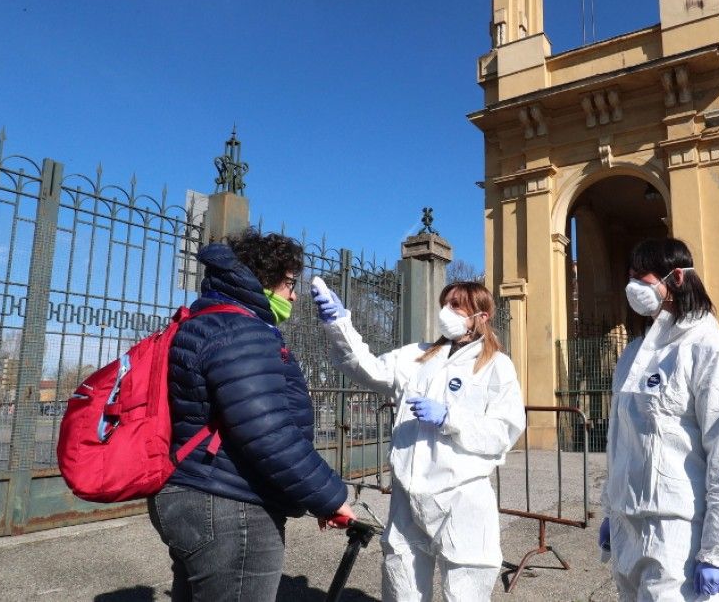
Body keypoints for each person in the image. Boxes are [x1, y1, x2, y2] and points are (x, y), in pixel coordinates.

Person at [149, 229, 354, 602]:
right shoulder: (241, 331)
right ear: (263, 278)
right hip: (231, 505)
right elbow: (267, 432)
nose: (293, 294)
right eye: (290, 282)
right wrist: (330, 497)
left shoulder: (207, 320)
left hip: (193, 490)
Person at [311, 279, 526, 602]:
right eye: (445, 303)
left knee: (466, 586)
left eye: (456, 306)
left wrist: (450, 419)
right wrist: (339, 323)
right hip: (407, 496)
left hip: (459, 496)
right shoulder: (419, 357)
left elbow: (504, 430)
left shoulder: (496, 366)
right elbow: (366, 368)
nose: (446, 312)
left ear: (480, 315)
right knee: (402, 584)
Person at [599, 237, 719, 601]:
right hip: (629, 526)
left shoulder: (717, 354)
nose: (633, 286)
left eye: (642, 276)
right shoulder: (634, 355)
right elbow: (619, 442)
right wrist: (611, 511)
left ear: (676, 278)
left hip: (678, 532)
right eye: (630, 276)